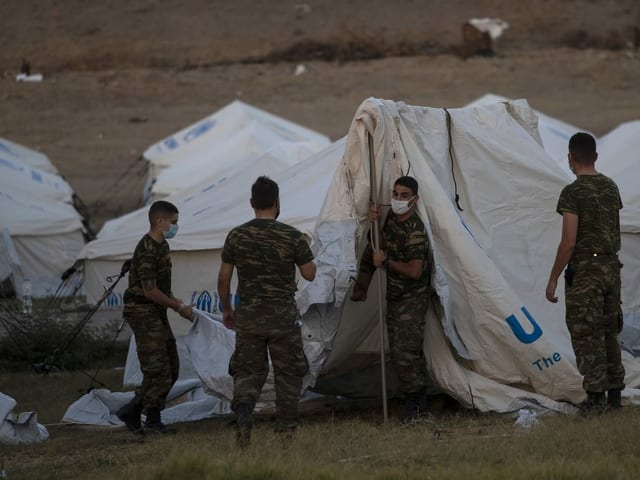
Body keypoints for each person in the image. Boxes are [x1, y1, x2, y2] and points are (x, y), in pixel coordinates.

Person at [218, 176, 316, 447]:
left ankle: (244, 410)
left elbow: (224, 278)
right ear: (277, 202)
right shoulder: (292, 236)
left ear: (251, 202)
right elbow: (309, 274)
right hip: (282, 316)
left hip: (248, 315)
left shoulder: (236, 236)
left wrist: (227, 309)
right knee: (288, 372)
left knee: (248, 370)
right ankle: (285, 430)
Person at [545, 132, 625, 415]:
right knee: (608, 332)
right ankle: (615, 395)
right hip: (611, 268)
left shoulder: (573, 192)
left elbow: (568, 242)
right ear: (596, 155)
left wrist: (554, 277)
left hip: (586, 272)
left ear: (570, 157)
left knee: (585, 333)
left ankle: (594, 399)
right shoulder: (611, 186)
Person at [351, 175, 431, 422]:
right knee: (399, 352)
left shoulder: (415, 230)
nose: (397, 199)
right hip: (395, 297)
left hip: (411, 300)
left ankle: (417, 406)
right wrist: (374, 225)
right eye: (395, 194)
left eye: (404, 196)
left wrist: (386, 261)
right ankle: (413, 404)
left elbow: (415, 271)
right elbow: (376, 248)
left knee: (406, 352)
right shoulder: (391, 222)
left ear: (415, 199)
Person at [116, 200, 193, 434]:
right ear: (159, 221)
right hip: (142, 311)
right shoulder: (147, 249)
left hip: (155, 312)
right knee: (158, 368)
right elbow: (149, 291)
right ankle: (152, 419)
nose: (175, 227)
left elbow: (160, 286)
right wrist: (177, 308)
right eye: (173, 222)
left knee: (171, 366)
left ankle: (134, 409)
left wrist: (175, 301)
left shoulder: (162, 246)